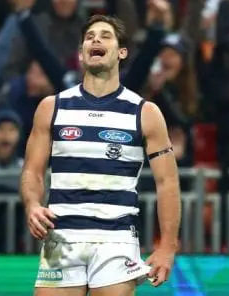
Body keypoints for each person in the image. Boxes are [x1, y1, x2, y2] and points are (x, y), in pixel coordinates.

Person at [20, 15, 181, 294]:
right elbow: (32, 171)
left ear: (121, 53)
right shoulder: (51, 108)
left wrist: (167, 247)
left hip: (116, 240)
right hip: (61, 236)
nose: (96, 39)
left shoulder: (145, 112)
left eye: (106, 36)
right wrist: (32, 205)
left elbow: (167, 182)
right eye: (89, 37)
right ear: (81, 54)